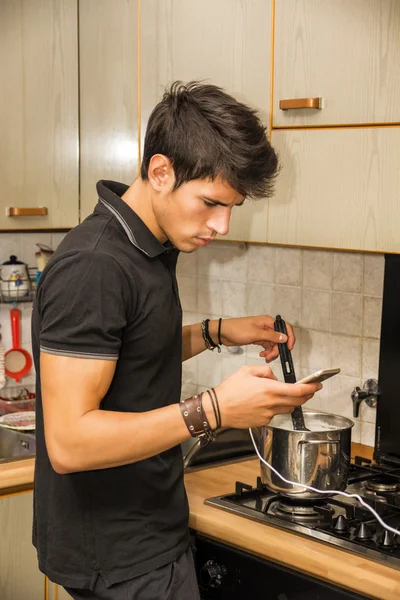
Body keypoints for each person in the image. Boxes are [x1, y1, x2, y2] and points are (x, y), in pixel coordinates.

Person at [32, 81, 321, 600]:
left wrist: (216, 333)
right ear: (161, 171)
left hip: (145, 532)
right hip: (121, 555)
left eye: (232, 207)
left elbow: (131, 351)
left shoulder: (148, 242)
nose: (221, 225)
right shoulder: (95, 266)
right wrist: (212, 409)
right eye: (211, 202)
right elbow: (69, 444)